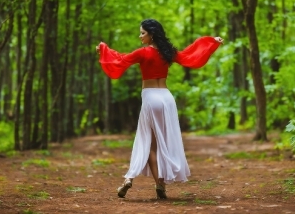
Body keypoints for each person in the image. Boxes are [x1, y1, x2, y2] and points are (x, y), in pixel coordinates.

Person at [96, 18, 223, 199]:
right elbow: (190, 56)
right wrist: (212, 42)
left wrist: (102, 49)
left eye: (142, 33)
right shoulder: (168, 52)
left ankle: (140, 180)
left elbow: (119, 60)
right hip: (167, 99)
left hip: (151, 98)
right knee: (161, 142)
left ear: (151, 34)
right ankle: (152, 184)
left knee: (149, 144)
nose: (140, 36)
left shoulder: (142, 53)